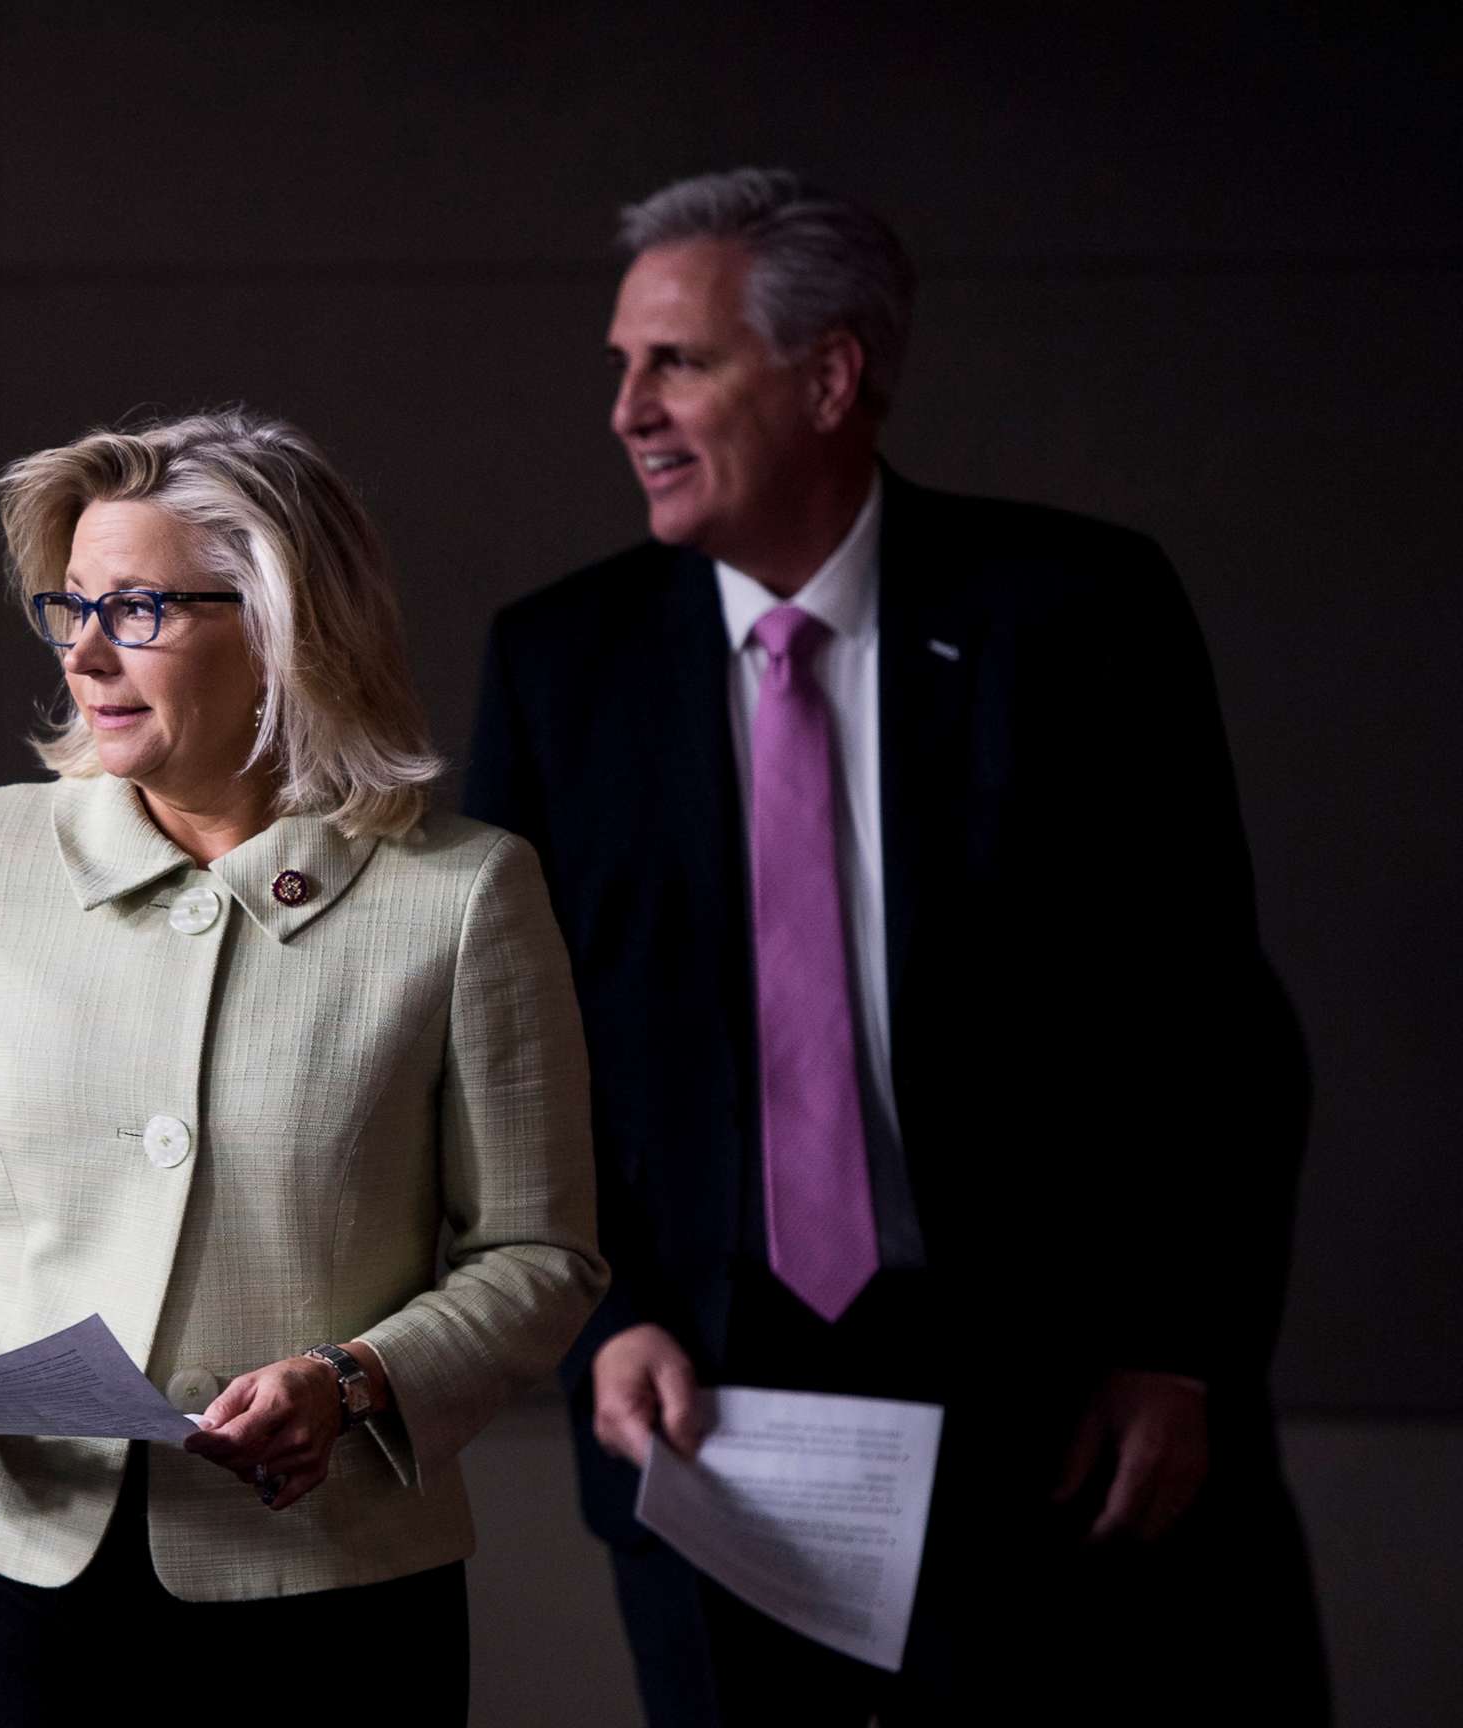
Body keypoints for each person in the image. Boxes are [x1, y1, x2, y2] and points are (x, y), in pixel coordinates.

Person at [466, 169, 1327, 1723]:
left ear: (831, 374)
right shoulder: (558, 664)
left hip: (1051, 1402)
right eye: (620, 365)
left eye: (678, 361)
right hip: (701, 1409)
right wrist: (600, 1316)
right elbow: (510, 1055)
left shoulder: (1079, 612)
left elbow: (1212, 1021)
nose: (628, 410)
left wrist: (1176, 1351)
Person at [0, 408, 606, 1725]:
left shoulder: (465, 896)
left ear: (284, 627)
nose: (83, 650)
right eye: (69, 604)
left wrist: (354, 1383)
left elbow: (541, 1254)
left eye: (136, 609)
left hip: (325, 1601)